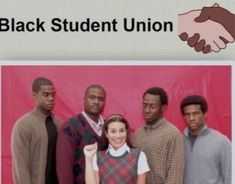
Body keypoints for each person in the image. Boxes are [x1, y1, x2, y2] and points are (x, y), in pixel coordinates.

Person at [11, 77, 61, 184]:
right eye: (46, 95)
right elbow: (20, 166)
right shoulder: (23, 125)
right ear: (34, 95)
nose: (51, 98)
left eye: (53, 95)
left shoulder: (59, 124)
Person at [133, 87, 184, 184]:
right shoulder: (137, 133)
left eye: (152, 106)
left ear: (163, 108)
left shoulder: (173, 134)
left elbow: (175, 175)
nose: (147, 110)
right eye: (144, 105)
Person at [56, 84, 106, 184]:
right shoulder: (69, 128)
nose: (96, 102)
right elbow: (64, 168)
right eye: (92, 97)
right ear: (84, 99)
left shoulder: (109, 128)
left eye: (100, 99)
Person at [83, 114, 150, 184]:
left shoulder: (139, 156)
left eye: (121, 131)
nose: (118, 136)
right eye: (113, 131)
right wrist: (88, 159)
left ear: (126, 132)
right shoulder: (97, 156)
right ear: (106, 133)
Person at [180, 95, 231, 184]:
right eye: (187, 114)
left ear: (205, 114)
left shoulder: (222, 142)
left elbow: (230, 177)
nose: (191, 118)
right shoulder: (179, 141)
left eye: (196, 113)